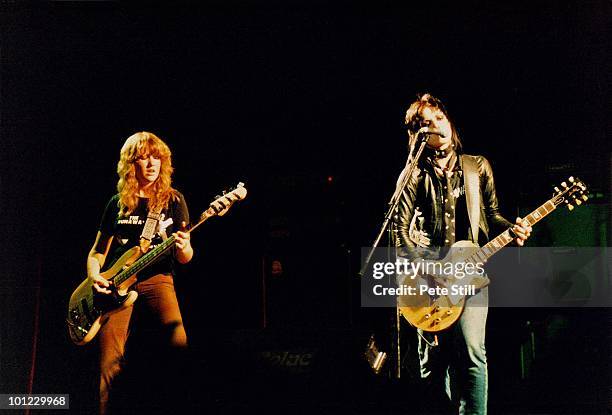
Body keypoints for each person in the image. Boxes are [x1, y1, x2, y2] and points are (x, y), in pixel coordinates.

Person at [393, 94, 531, 414]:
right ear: (417, 135)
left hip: (470, 272)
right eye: (427, 123)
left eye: (440, 118)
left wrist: (514, 228)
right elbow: (399, 233)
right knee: (433, 365)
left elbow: (491, 216)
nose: (438, 126)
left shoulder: (477, 166)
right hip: (428, 277)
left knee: (472, 351)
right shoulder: (414, 174)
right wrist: (427, 272)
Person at [86, 131, 193, 414]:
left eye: (156, 157)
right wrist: (95, 275)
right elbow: (97, 252)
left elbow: (185, 256)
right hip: (117, 286)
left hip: (158, 279)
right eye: (144, 158)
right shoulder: (117, 203)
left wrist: (183, 247)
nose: (151, 163)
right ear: (131, 164)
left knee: (178, 344)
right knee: (110, 360)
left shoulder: (173, 200)